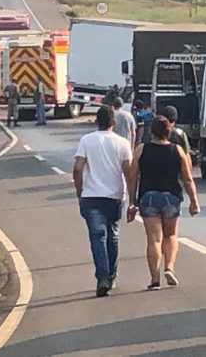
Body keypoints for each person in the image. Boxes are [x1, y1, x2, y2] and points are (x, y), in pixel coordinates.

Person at [128, 115, 200, 290]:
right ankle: (169, 267)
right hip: (171, 197)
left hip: (148, 197)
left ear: (152, 131)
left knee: (154, 240)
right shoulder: (177, 150)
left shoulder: (141, 149)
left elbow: (132, 177)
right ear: (169, 132)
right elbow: (188, 179)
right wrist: (194, 201)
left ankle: (154, 279)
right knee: (171, 235)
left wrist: (132, 201)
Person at [73, 107, 134, 297]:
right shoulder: (123, 143)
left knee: (97, 236)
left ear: (96, 122)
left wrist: (80, 192)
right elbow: (129, 173)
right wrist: (132, 200)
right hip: (114, 196)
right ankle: (111, 276)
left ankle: (102, 277)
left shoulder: (86, 140)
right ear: (113, 123)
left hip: (91, 196)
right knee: (112, 235)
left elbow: (77, 168)